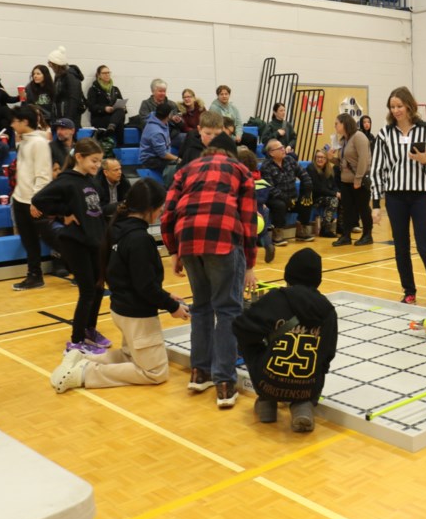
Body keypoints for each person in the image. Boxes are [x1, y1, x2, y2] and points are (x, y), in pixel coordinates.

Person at [50, 178, 191, 394]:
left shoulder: (118, 227)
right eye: (161, 208)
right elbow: (145, 286)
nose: (162, 212)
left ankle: (80, 357)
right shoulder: (139, 239)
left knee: (130, 354)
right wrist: (172, 307)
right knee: (155, 372)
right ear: (150, 208)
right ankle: (84, 372)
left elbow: (132, 276)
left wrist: (166, 295)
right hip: (137, 316)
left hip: (120, 308)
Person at [161, 130, 258, 410]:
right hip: (223, 239)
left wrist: (174, 249)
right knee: (228, 309)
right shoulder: (240, 170)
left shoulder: (187, 169)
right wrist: (250, 262)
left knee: (202, 307)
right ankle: (225, 383)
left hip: (189, 239)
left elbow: (168, 211)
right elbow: (249, 221)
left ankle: (199, 373)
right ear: (230, 152)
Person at [232, 248, 337, 432]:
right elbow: (328, 353)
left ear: (289, 274)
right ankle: (302, 405)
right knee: (319, 357)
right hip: (307, 387)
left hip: (268, 383)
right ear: (317, 279)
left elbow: (241, 328)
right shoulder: (327, 309)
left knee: (248, 341)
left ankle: (267, 401)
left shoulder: (275, 299)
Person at [371, 86, 426, 308]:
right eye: (392, 107)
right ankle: (409, 292)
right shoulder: (384, 134)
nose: (396, 111)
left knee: (425, 247)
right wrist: (376, 204)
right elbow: (377, 170)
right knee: (401, 247)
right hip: (395, 198)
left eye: (399, 106)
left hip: (422, 196)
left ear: (409, 106)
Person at [32, 138, 111, 353]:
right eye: (94, 161)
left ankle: (89, 330)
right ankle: (76, 342)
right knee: (87, 291)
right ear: (79, 157)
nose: (97, 165)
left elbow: (93, 210)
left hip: (94, 241)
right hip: (75, 243)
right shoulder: (67, 180)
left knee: (97, 289)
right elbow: (39, 200)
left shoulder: (90, 181)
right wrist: (65, 213)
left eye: (99, 161)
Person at [10, 106, 52, 291]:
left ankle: (86, 268)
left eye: (15, 121)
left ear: (25, 122)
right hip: (20, 199)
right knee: (29, 241)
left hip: (33, 202)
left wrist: (36, 201)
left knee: (53, 239)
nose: (12, 124)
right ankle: (34, 276)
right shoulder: (25, 141)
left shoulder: (39, 143)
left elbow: (43, 175)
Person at [329, 113, 372, 247]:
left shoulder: (359, 137)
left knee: (363, 209)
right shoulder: (344, 140)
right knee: (346, 209)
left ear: (344, 123)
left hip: (358, 181)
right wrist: (330, 158)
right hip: (346, 181)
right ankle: (346, 236)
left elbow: (364, 160)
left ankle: (367, 235)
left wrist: (358, 179)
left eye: (337, 123)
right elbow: (342, 162)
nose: (335, 126)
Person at [262, 138, 315, 244]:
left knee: (307, 201)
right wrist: (285, 198)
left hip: (292, 198)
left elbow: (304, 175)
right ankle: (277, 233)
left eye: (283, 147)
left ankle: (301, 230)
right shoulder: (266, 166)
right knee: (280, 205)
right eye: (280, 148)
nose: (283, 149)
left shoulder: (290, 160)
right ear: (271, 153)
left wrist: (307, 190)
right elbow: (270, 188)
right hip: (275, 199)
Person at [138, 101, 181, 178]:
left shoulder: (157, 118)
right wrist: (178, 159)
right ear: (168, 115)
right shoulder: (156, 132)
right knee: (174, 168)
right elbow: (162, 154)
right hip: (150, 159)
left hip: (158, 154)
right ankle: (168, 188)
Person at [87, 65, 126, 145]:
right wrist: (105, 108)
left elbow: (121, 102)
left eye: (108, 73)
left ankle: (111, 127)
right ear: (99, 75)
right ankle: (120, 144)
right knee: (119, 123)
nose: (107, 75)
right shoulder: (93, 89)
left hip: (114, 117)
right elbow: (91, 107)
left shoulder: (115, 89)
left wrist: (123, 107)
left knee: (120, 111)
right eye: (104, 73)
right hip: (100, 117)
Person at [47, 46, 84, 129]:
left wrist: (67, 121)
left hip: (68, 119)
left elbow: (74, 99)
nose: (49, 65)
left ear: (56, 64)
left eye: (50, 62)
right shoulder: (58, 76)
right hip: (60, 117)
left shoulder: (71, 77)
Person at [307, 149, 339, 238]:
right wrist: (335, 194)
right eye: (318, 157)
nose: (320, 159)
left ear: (326, 159)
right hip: (314, 198)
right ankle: (325, 229)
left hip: (326, 196)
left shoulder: (329, 169)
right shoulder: (311, 168)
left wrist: (337, 192)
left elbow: (334, 185)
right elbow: (318, 189)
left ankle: (341, 227)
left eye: (322, 157)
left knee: (343, 198)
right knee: (333, 200)